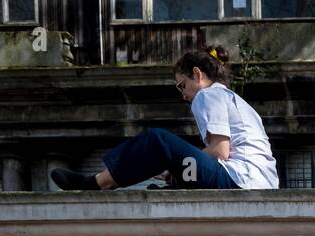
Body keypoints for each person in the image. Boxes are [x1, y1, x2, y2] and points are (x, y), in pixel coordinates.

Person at [49, 46, 280, 192]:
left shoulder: (208, 95)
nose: (183, 95)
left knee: (158, 140)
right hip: (261, 183)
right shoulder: (237, 101)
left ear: (197, 74)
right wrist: (179, 169)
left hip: (239, 179)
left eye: (182, 85)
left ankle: (98, 182)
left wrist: (176, 163)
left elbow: (221, 152)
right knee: (170, 164)